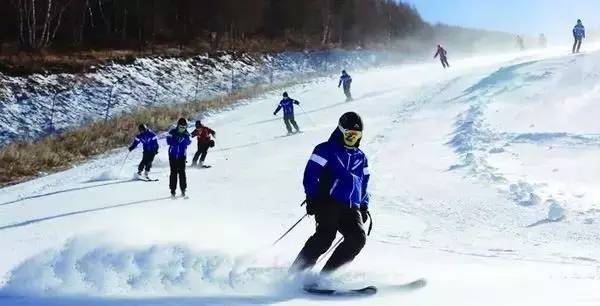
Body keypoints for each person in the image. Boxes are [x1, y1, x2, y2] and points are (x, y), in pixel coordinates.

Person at [290, 112, 371, 276]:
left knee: (357, 239)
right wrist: (312, 197)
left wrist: (363, 205)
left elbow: (363, 183)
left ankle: (326, 277)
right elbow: (311, 174)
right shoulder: (325, 149)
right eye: (348, 134)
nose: (352, 138)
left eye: (355, 135)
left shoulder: (361, 157)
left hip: (350, 207)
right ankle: (296, 274)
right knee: (325, 237)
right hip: (327, 202)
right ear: (340, 131)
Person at [166, 118, 192, 197]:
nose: (183, 129)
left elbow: (189, 142)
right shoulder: (172, 132)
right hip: (172, 155)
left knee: (182, 173)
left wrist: (185, 139)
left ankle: (183, 189)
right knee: (173, 172)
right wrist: (175, 140)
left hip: (182, 156)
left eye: (184, 127)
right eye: (181, 127)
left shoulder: (186, 134)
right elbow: (168, 141)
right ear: (178, 126)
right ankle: (172, 190)